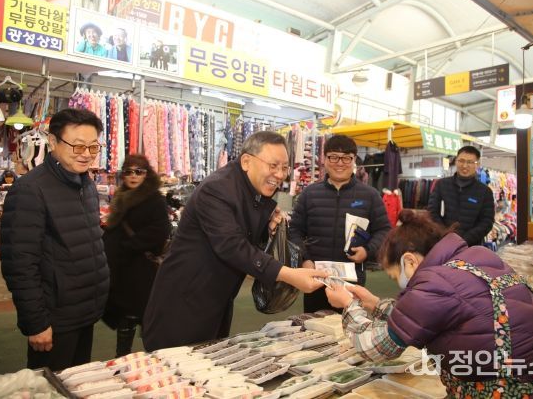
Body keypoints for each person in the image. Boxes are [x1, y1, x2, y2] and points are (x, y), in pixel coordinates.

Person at [325, 210, 533, 398]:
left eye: (394, 276)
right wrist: (374, 304)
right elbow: (428, 316)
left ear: (409, 261)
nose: (399, 285)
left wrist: (348, 305)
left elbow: (375, 348)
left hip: (520, 391)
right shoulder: (475, 257)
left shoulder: (435, 282)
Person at [143, 131, 327, 350]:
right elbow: (231, 246)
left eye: (284, 168)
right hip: (183, 303)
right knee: (176, 365)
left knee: (208, 359)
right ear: (246, 161)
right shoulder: (216, 189)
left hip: (217, 299)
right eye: (273, 166)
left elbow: (244, 237)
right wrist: (288, 275)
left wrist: (266, 230)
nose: (279, 175)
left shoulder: (252, 190)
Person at [0, 108, 109, 371]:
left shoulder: (86, 184)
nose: (86, 154)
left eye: (93, 147)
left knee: (76, 380)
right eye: (77, 146)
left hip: (84, 310)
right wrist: (36, 322)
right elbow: (19, 263)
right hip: (55, 315)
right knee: (49, 385)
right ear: (52, 142)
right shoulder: (30, 189)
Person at [289, 135, 391, 313]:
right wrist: (304, 259)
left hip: (352, 281)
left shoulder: (370, 195)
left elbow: (384, 230)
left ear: (354, 160)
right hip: (316, 279)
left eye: (346, 158)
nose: (340, 163)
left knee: (350, 325)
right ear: (325, 159)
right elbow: (294, 231)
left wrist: (367, 251)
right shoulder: (309, 194)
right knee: (313, 325)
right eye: (333, 157)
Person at [103, 154, 171, 357]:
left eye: (138, 172)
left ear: (146, 174)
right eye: (129, 172)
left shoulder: (154, 199)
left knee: (145, 314)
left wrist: (129, 245)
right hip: (123, 268)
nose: (133, 176)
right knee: (126, 315)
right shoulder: (121, 196)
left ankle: (155, 356)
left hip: (142, 268)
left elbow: (161, 229)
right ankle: (122, 357)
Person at [427, 145, 494, 246]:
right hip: (441, 242)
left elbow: (487, 221)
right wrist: (444, 233)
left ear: (477, 165)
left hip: (470, 246)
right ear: (456, 161)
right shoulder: (442, 185)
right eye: (461, 161)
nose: (465, 165)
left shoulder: (485, 191)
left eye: (470, 162)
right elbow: (432, 211)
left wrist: (464, 240)